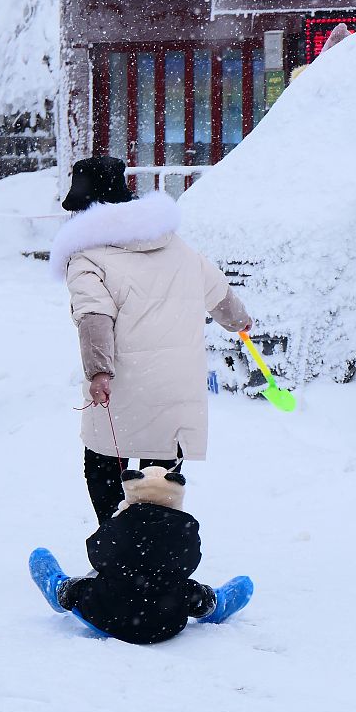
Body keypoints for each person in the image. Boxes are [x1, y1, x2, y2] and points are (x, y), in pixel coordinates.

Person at [50, 156, 252, 523]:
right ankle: (156, 545)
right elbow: (220, 293)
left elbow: (94, 316)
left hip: (124, 385)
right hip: (176, 387)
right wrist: (239, 321)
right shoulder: (176, 246)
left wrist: (99, 372)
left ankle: (115, 542)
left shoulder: (87, 258)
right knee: (159, 482)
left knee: (104, 467)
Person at [28, 464, 254, 644]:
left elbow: (96, 556)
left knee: (82, 588)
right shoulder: (184, 529)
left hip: (107, 616)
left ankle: (58, 589)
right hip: (166, 622)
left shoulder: (120, 525)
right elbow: (190, 564)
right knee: (187, 590)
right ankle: (214, 605)